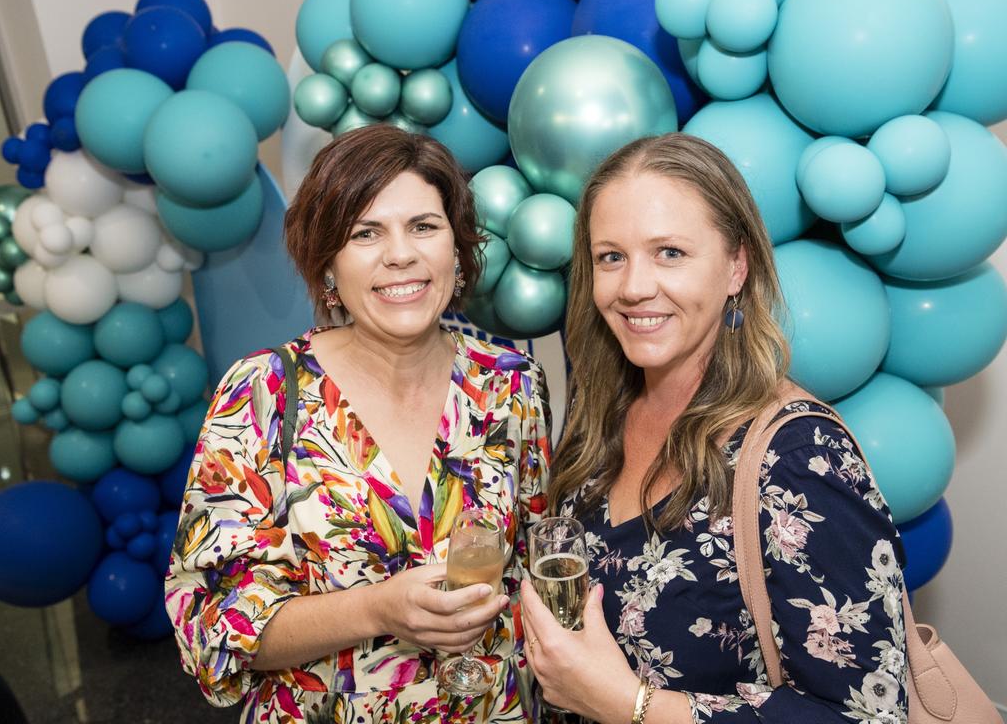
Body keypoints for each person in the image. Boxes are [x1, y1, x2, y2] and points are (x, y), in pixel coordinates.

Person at [166, 125, 551, 723]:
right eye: (366, 233)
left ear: (456, 247)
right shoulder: (263, 393)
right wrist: (376, 610)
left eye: (424, 226)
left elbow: (533, 556)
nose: (401, 253)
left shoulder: (510, 383)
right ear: (327, 265)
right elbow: (209, 620)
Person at [520, 133, 908, 724]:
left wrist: (631, 707)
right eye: (611, 256)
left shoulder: (799, 457)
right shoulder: (602, 414)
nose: (633, 287)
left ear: (736, 266)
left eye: (670, 252)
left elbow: (865, 716)